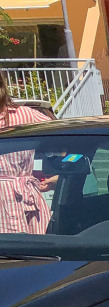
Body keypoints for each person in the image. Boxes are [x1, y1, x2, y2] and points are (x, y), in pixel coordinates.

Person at [0, 73, 53, 235]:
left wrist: (61, 176)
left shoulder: (25, 115)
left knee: (39, 256)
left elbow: (69, 140)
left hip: (27, 204)